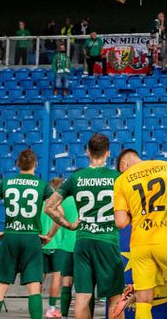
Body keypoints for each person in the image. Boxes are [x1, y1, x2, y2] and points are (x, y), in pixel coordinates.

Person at [43, 135, 124, 319]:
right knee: (114, 298)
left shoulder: (75, 178)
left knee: (82, 298)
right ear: (108, 153)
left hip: (83, 242)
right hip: (108, 241)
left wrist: (69, 225)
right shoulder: (117, 178)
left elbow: (49, 207)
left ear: (88, 152)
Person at [113, 149, 167, 319]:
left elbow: (121, 222)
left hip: (140, 244)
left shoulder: (122, 180)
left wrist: (137, 213)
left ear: (124, 164)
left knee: (144, 299)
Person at [0, 149, 55, 319]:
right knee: (34, 287)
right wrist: (50, 234)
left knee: (1, 286)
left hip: (11, 235)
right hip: (32, 237)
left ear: (17, 164)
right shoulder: (42, 185)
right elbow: (57, 211)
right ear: (35, 164)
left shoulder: (6, 182)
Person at [40, 177, 77, 319]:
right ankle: (52, 308)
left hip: (42, 243)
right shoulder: (69, 201)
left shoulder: (42, 203)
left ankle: (36, 305)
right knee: (57, 277)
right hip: (59, 244)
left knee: (38, 278)